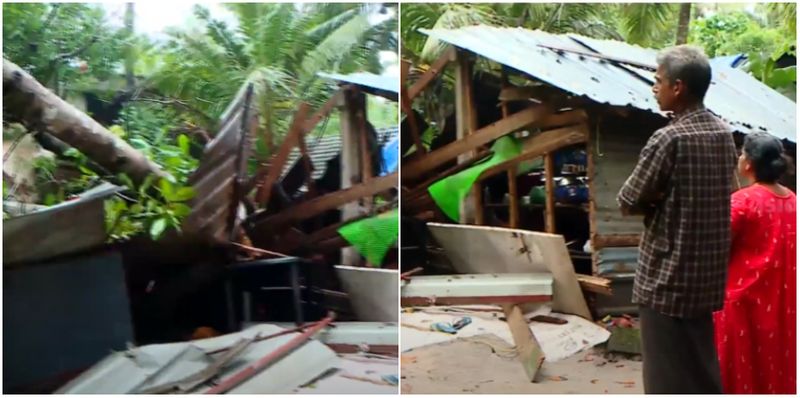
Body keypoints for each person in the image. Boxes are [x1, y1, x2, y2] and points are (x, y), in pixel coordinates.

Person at [616, 45, 737, 394]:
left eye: (659, 81)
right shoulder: (724, 134)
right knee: (700, 366)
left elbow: (627, 200)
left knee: (665, 377)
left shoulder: (669, 138)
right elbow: (727, 195)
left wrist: (656, 201)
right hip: (706, 279)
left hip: (666, 279)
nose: (655, 88)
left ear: (678, 87)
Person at [713, 132, 796, 394]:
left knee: (739, 372)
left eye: (742, 154)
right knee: (779, 368)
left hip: (743, 302)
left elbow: (713, 246)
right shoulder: (794, 201)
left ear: (748, 164)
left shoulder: (742, 202)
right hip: (785, 304)